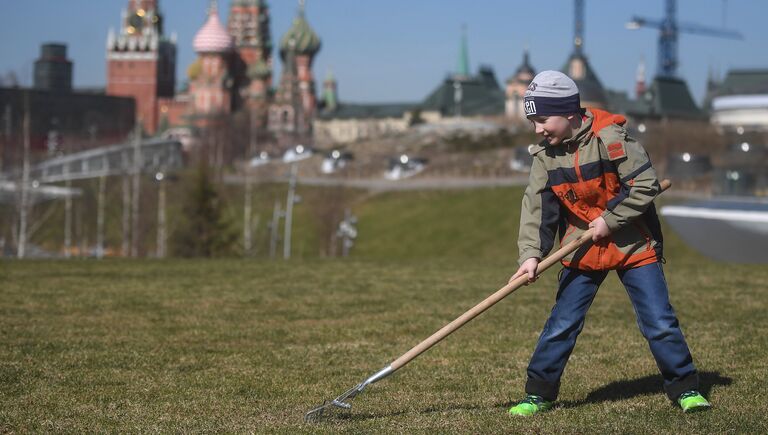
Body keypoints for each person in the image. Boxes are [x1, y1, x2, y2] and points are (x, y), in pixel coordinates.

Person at [507, 70, 710, 416]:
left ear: (569, 112)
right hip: (582, 249)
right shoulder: (545, 156)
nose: (537, 128)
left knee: (659, 321)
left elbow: (644, 185)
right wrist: (531, 255)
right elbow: (538, 210)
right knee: (562, 324)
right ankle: (539, 393)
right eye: (533, 121)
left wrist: (609, 219)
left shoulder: (610, 137)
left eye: (542, 119)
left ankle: (685, 387)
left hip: (634, 246)